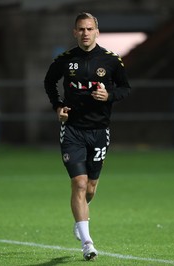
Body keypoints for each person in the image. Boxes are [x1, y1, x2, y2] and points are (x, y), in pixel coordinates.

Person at [44, 12, 131, 260]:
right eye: (81, 29)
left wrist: (110, 95)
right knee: (79, 183)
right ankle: (87, 243)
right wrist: (58, 107)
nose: (85, 33)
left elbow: (126, 88)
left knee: (91, 187)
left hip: (100, 130)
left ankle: (80, 217)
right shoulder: (65, 60)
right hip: (72, 129)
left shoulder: (111, 60)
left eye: (89, 29)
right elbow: (49, 83)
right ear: (75, 32)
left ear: (97, 31)